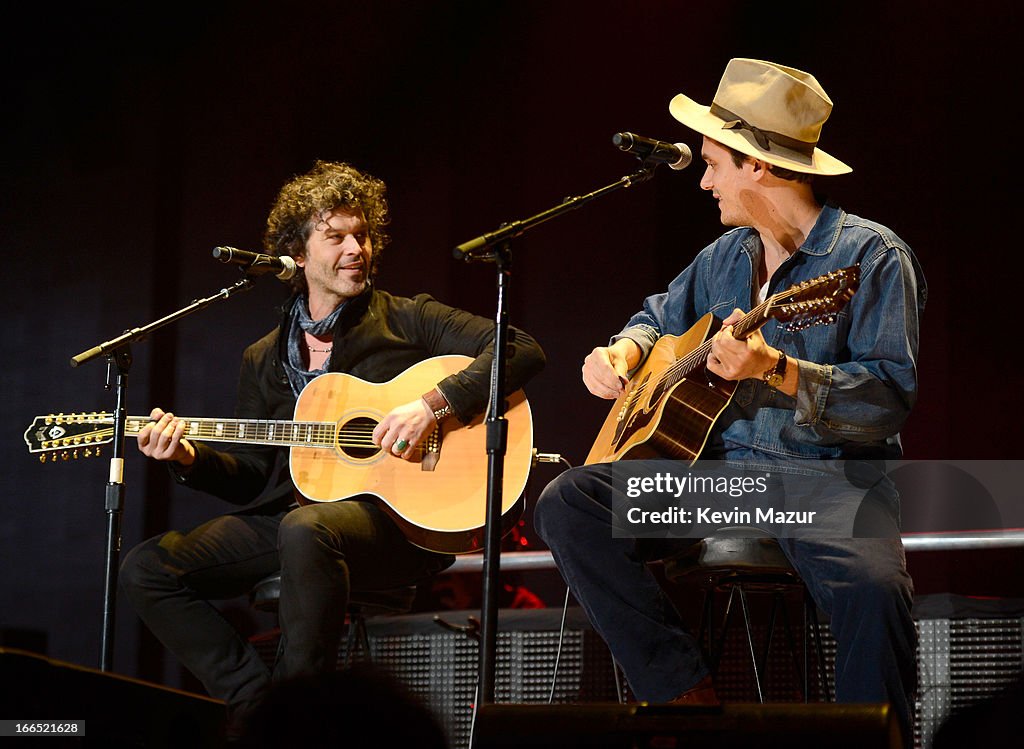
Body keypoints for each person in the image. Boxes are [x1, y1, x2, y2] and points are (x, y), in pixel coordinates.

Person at [534, 58, 924, 746]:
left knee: (874, 590)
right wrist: (624, 351)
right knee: (570, 501)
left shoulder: (872, 256)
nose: (705, 180)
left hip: (831, 485)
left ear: (759, 167)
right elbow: (655, 316)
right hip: (724, 483)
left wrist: (776, 369)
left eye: (715, 164)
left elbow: (888, 399)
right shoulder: (723, 256)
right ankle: (685, 699)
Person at [119, 160, 545, 735]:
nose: (356, 249)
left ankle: (302, 717)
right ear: (296, 254)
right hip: (297, 518)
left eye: (363, 235)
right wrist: (187, 459)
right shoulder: (263, 357)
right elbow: (251, 476)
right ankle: (258, 705)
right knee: (148, 568)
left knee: (307, 530)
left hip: (399, 525)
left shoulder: (406, 318)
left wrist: (434, 404)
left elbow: (520, 349)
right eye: (337, 236)